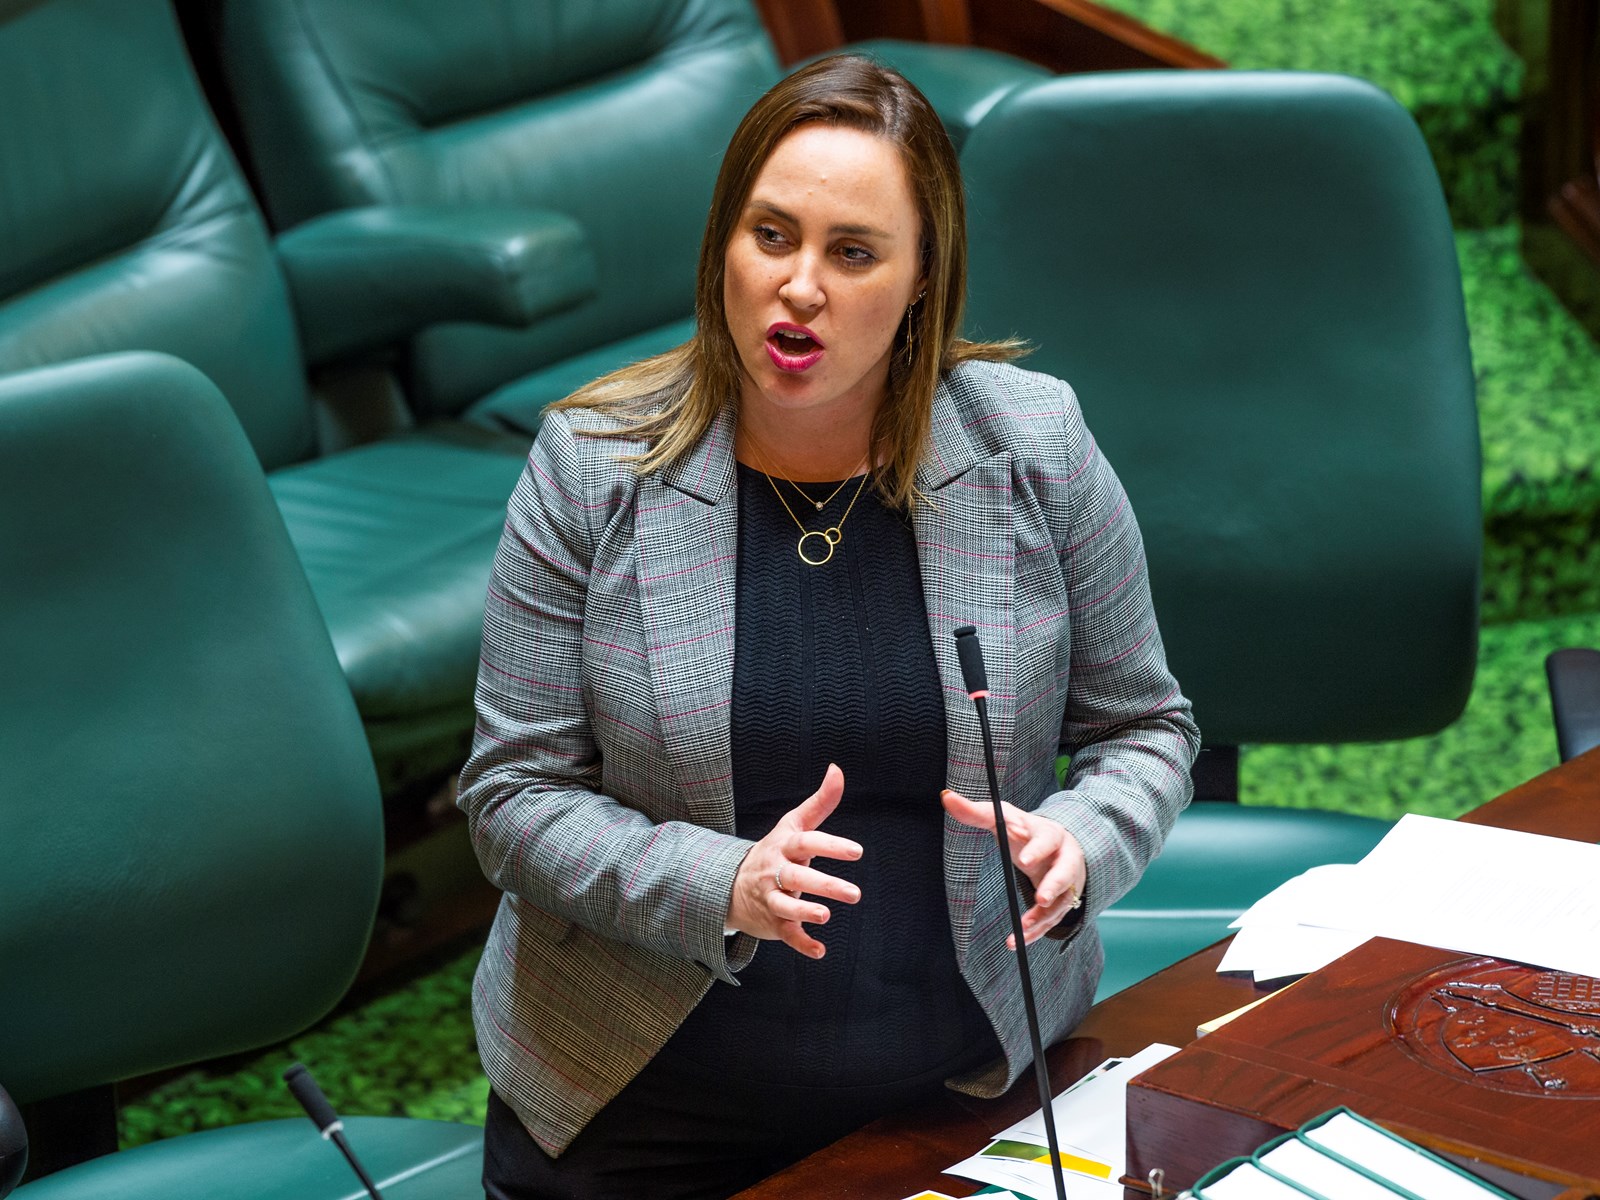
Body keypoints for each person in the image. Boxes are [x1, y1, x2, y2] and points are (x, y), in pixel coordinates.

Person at [459, 53, 1200, 1200]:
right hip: (645, 1110)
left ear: (920, 282)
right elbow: (511, 799)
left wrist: (1085, 841)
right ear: (722, 248)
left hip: (963, 1093)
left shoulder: (1031, 447)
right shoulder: (592, 466)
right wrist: (722, 883)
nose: (798, 286)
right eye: (770, 236)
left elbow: (1145, 726)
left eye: (851, 253)